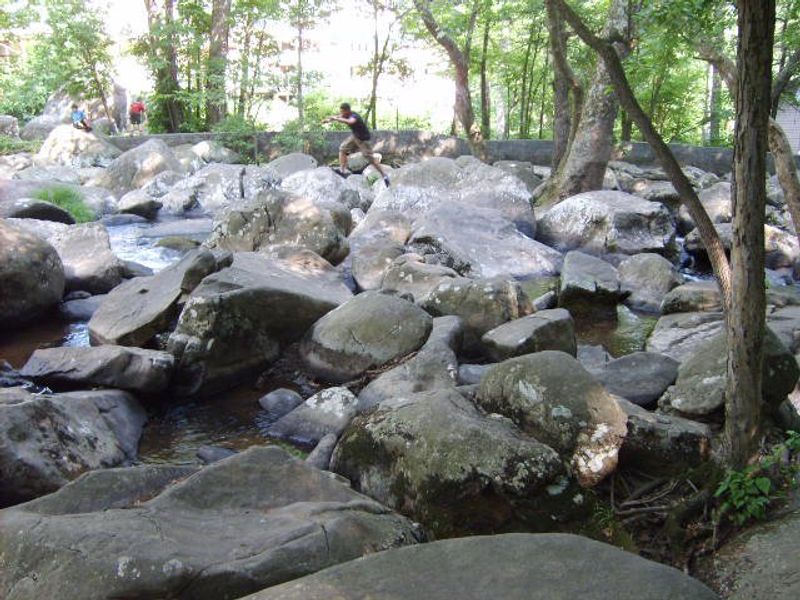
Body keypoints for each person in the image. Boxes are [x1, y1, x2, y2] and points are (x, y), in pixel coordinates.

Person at [323, 102, 390, 187]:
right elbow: (336, 116)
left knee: (371, 160)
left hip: (363, 140)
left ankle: (384, 176)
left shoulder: (354, 116)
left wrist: (336, 119)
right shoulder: (345, 115)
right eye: (341, 112)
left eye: (343, 112)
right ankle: (342, 171)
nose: (342, 113)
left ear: (347, 111)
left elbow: (350, 122)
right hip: (355, 137)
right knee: (342, 149)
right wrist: (328, 120)